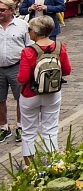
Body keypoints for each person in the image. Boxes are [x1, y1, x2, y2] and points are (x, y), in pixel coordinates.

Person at [17, 15, 71, 162]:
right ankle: (52, 164)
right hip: (53, 93)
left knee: (28, 132)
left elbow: (22, 78)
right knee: (50, 130)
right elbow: (66, 70)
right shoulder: (59, 47)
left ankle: (30, 168)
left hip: (30, 94)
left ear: (36, 31)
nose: (28, 33)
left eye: (29, 30)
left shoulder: (28, 51)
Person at [0, 0, 30, 142]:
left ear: (12, 10)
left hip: (17, 66)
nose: (0, 12)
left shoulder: (22, 25)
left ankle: (20, 126)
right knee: (0, 99)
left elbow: (29, 46)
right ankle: (3, 127)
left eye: (2, 10)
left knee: (20, 98)